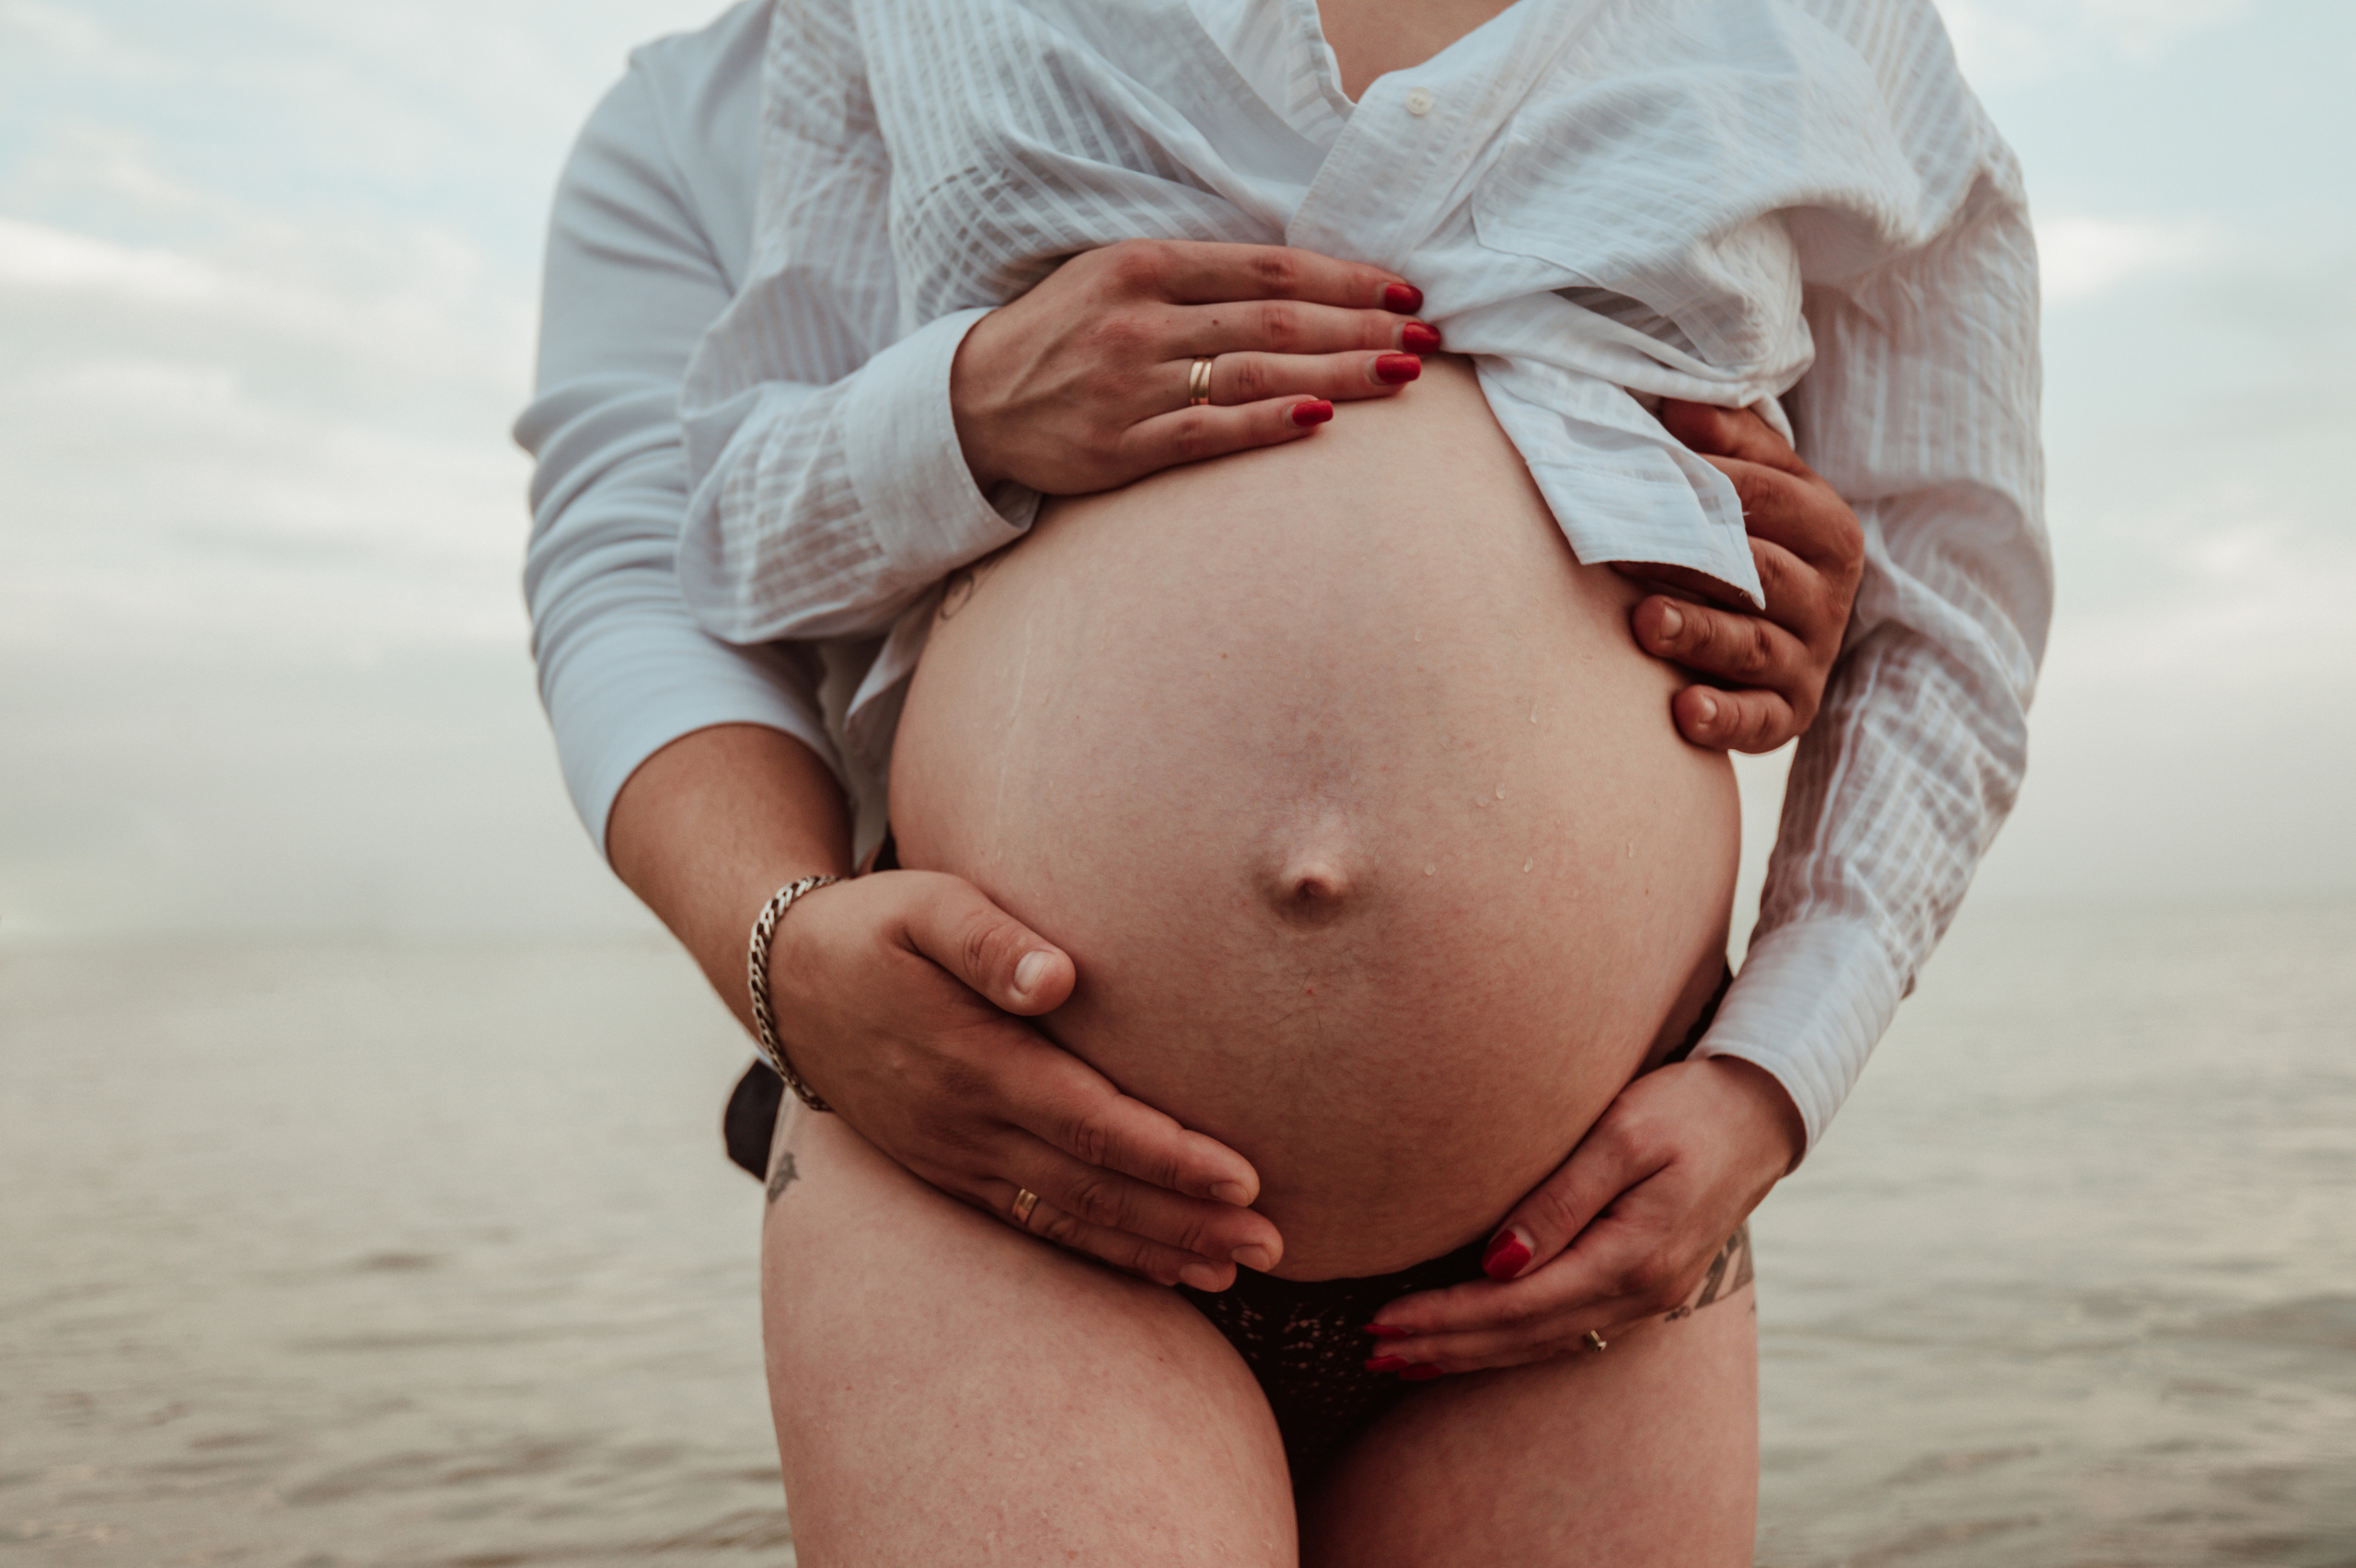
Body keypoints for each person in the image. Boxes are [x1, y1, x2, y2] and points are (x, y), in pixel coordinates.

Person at [516, 1, 2045, 1561]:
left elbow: (1951, 599)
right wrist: (962, 406)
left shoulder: (1840, 29)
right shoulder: (854, 43)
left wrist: (1774, 1074)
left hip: (1568, 1220)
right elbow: (692, 544)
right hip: (994, 1173)